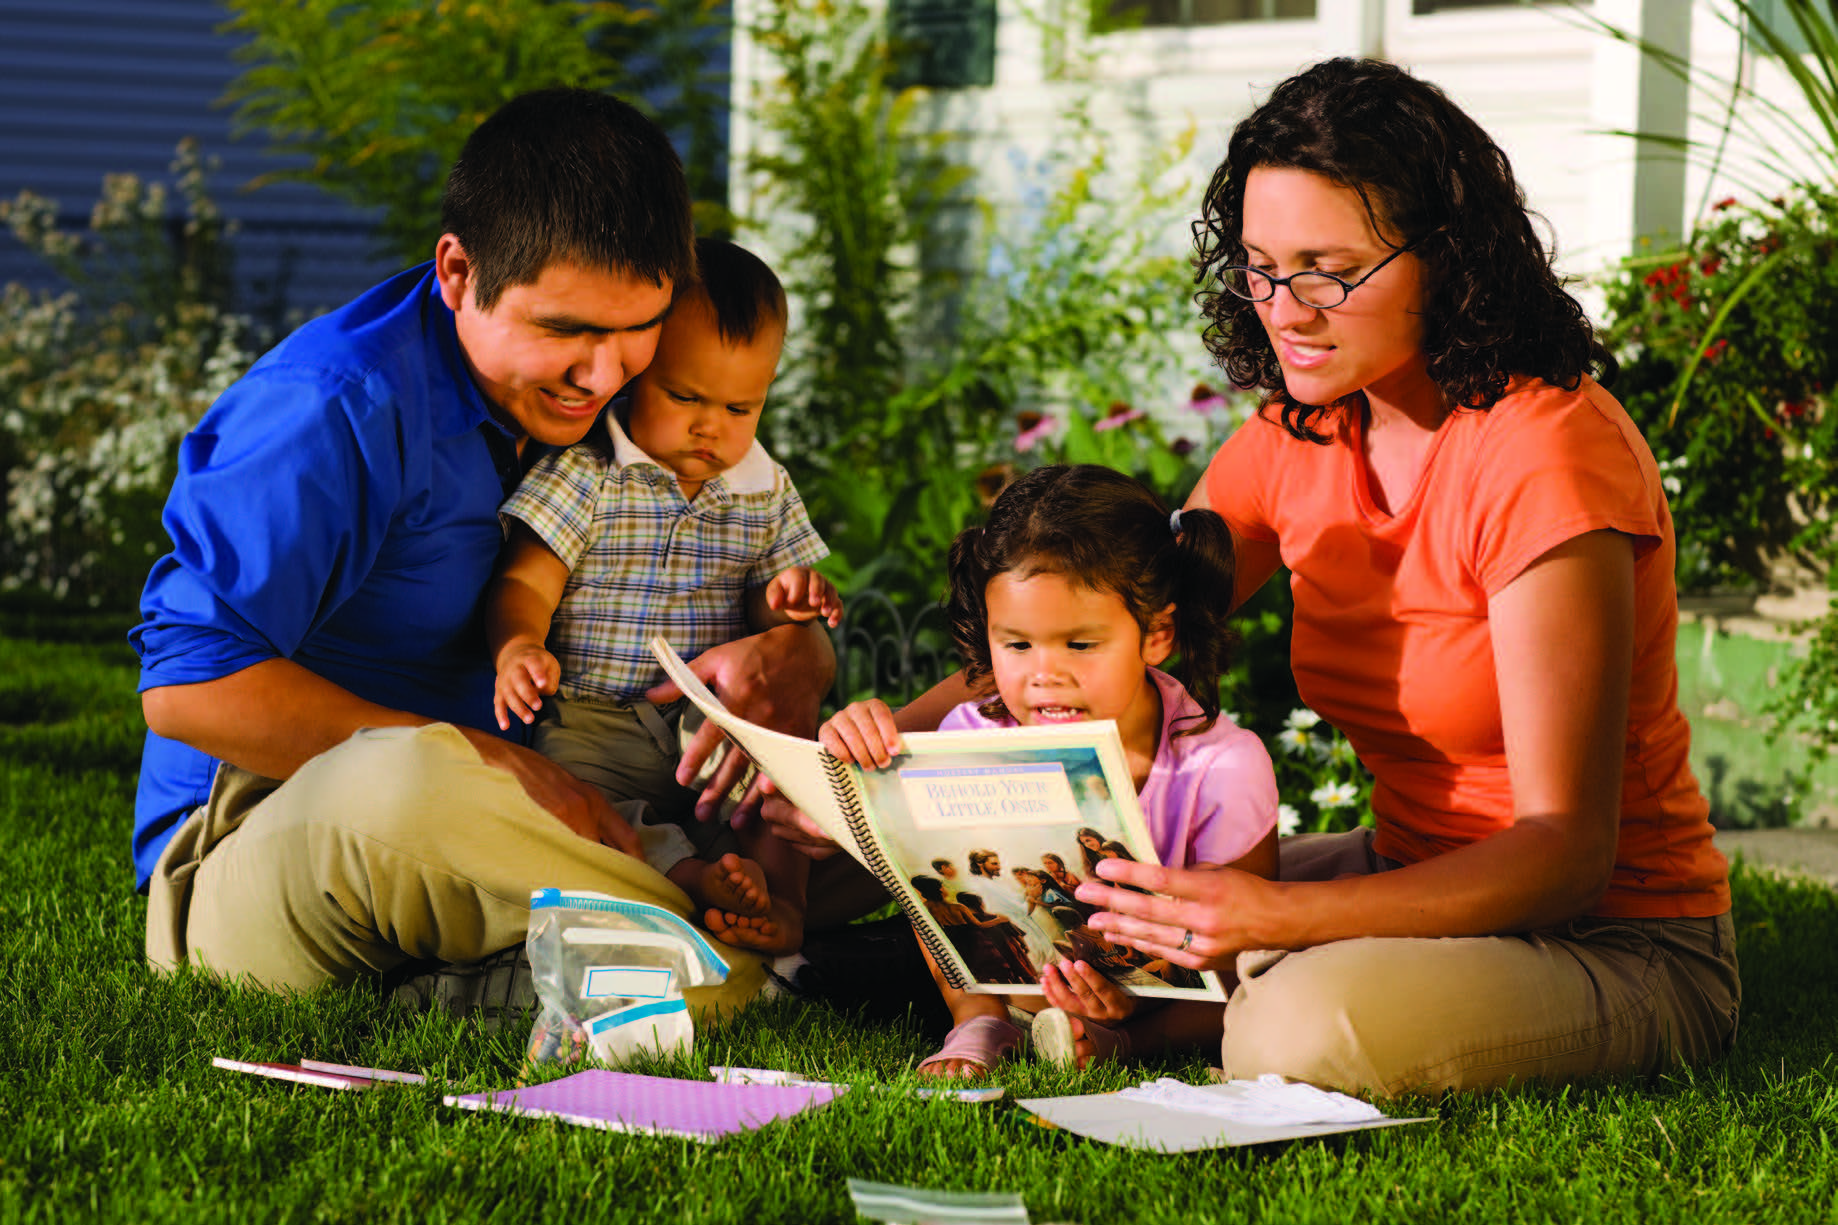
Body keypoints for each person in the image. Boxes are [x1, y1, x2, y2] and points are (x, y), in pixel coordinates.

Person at [1068, 57, 1739, 1095]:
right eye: (1256, 266)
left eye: (1326, 270)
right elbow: (1116, 612)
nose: (1281, 309)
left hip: (1618, 935)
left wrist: (1278, 916)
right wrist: (883, 739)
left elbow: (1565, 851)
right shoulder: (1301, 429)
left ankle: (1200, 1000)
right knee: (1110, 901)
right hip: (1410, 873)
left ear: (1443, 260)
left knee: (1288, 1030)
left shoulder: (1542, 455)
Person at [130, 89, 834, 1019]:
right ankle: (727, 960)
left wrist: (798, 653)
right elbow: (188, 689)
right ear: (459, 272)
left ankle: (585, 975)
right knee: (409, 777)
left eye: (638, 329)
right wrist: (482, 759)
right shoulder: (336, 406)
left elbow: (750, 571)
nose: (603, 375)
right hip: (287, 834)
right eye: (565, 332)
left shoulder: (630, 403)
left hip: (552, 819)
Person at [819, 464, 1280, 1076]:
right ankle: (979, 1021)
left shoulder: (1220, 766)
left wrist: (1130, 1006)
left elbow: (1237, 958)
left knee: (1253, 989)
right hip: (1013, 971)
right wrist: (854, 746)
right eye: (1017, 645)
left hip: (1171, 995)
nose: (1044, 674)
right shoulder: (972, 736)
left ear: (1157, 635)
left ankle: (1119, 1045)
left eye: (1080, 645)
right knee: (943, 890)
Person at [486, 237, 836, 957]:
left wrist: (789, 604)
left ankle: (781, 903)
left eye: (742, 407)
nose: (712, 427)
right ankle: (691, 878)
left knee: (786, 778)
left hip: (712, 725)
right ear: (637, 372)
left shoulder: (763, 490)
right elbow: (526, 577)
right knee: (585, 809)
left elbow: (773, 615)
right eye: (686, 397)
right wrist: (518, 644)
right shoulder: (588, 474)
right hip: (593, 717)